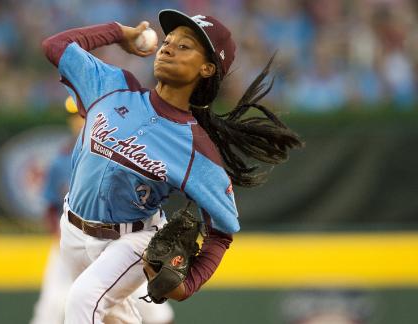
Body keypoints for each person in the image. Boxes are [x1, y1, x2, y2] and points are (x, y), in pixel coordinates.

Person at [41, 9, 303, 324]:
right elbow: (56, 46)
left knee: (83, 301)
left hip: (130, 242)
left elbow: (223, 232)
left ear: (207, 68)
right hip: (71, 232)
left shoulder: (195, 147)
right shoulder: (112, 86)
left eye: (184, 46)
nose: (168, 47)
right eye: (168, 41)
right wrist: (118, 32)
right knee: (112, 317)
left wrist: (189, 284)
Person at [30, 97, 175, 324]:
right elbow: (50, 206)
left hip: (118, 240)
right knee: (52, 306)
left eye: (83, 116)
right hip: (71, 239)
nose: (79, 121)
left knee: (148, 305)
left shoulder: (122, 153)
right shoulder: (60, 161)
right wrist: (56, 232)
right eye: (75, 117)